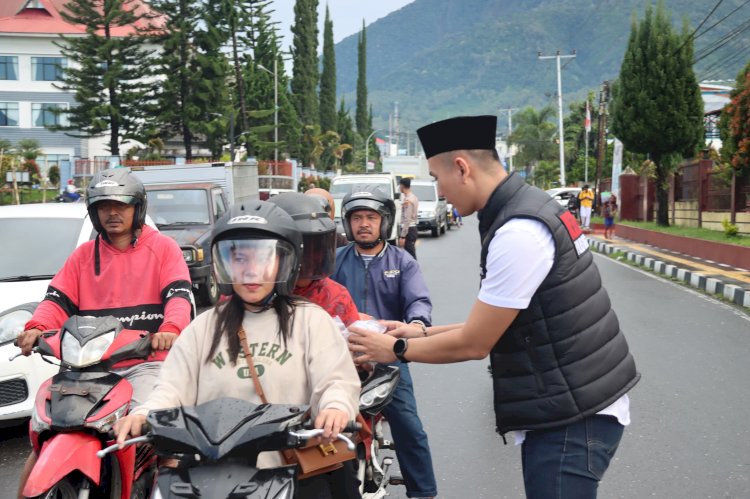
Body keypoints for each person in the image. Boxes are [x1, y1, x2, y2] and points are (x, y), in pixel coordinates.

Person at [347, 116, 640, 499]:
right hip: (574, 401)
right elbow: (493, 322)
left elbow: (475, 343)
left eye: (436, 178)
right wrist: (418, 331)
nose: (439, 191)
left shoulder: (519, 231)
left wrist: (396, 349)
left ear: (462, 168)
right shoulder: (525, 207)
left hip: (573, 415)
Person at [114, 200, 360, 499]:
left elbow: (335, 379)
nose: (250, 270)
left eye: (263, 258)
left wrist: (335, 407)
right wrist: (144, 414)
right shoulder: (204, 327)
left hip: (288, 470)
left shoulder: (310, 321)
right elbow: (172, 387)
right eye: (240, 259)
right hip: (210, 474)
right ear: (224, 264)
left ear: (286, 261)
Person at [15, 167, 194, 499]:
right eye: (103, 206)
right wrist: (36, 328)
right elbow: (56, 300)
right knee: (45, 439)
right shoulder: (83, 256)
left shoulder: (164, 249)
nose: (113, 213)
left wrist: (170, 329)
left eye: (121, 205)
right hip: (88, 369)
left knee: (162, 436)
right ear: (94, 212)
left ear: (137, 208)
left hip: (145, 364)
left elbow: (179, 298)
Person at [331, 185, 438, 499]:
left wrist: (416, 324)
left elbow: (419, 302)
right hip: (340, 358)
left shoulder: (402, 261)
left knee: (410, 428)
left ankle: (423, 492)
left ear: (384, 221)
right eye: (357, 217)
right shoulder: (334, 261)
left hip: (388, 361)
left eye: (371, 217)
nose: (364, 223)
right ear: (347, 222)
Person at [270, 192, 362, 498]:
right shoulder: (247, 298)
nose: (309, 258)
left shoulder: (335, 296)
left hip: (318, 421)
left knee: (343, 483)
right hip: (259, 420)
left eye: (315, 248)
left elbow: (348, 367)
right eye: (301, 249)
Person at [398, 177, 419, 259]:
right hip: (412, 228)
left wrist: (403, 236)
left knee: (410, 254)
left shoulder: (408, 200)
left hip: (409, 230)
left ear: (402, 186)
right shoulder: (413, 197)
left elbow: (407, 219)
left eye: (400, 186)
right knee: (409, 254)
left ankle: (414, 270)